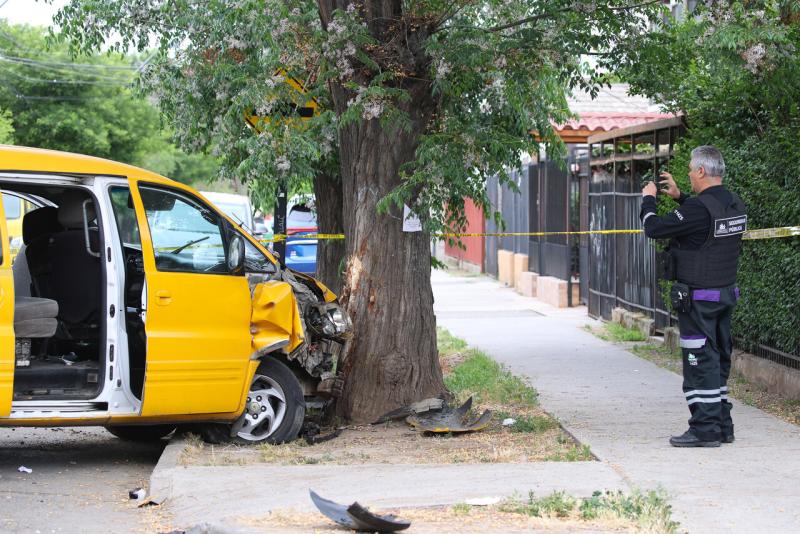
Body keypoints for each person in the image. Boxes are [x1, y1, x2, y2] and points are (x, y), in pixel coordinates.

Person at [640, 146, 747, 447]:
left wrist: (649, 197)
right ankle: (723, 425)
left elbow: (654, 228)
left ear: (701, 171)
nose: (687, 174)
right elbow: (705, 226)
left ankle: (705, 429)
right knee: (717, 360)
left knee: (699, 361)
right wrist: (680, 198)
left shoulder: (699, 208)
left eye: (690, 170)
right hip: (724, 295)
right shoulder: (734, 203)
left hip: (699, 299)